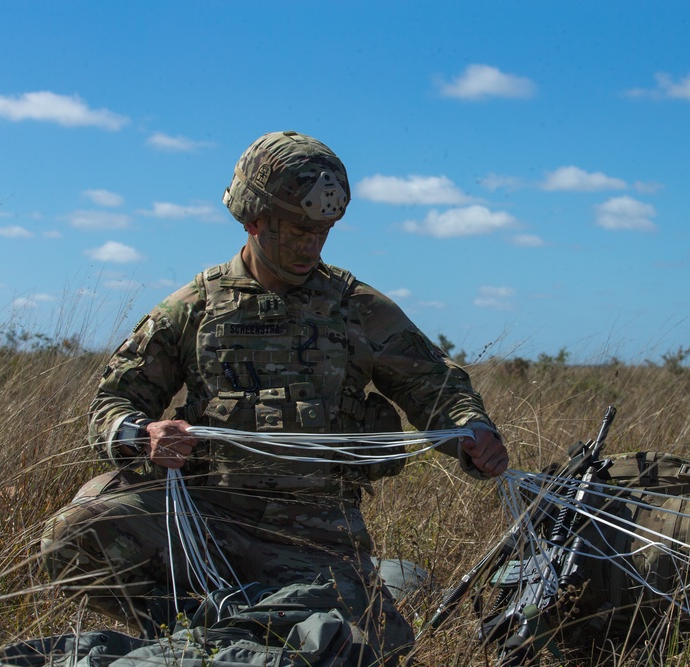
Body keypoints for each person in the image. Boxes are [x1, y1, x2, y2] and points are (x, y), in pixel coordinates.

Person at [41, 131, 508, 665]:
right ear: (253, 220)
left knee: (350, 651)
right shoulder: (192, 307)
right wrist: (143, 434)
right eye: (297, 231)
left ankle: (256, 627)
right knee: (77, 533)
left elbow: (436, 385)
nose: (311, 246)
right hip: (206, 523)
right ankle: (194, 636)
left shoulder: (358, 307)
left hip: (320, 544)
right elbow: (112, 403)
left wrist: (475, 433)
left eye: (323, 232)